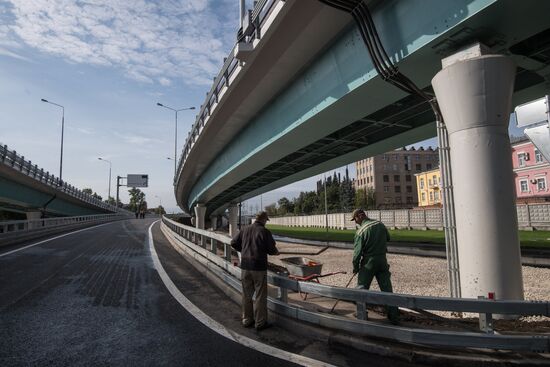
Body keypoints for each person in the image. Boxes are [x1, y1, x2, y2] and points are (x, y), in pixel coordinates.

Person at [231, 211, 279, 331]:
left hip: (245, 266)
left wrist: (243, 250)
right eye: (266, 221)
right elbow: (271, 249)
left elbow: (233, 243)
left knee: (246, 295)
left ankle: (247, 320)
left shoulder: (245, 229)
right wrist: (275, 252)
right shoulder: (264, 231)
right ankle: (260, 322)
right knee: (260, 295)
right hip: (258, 267)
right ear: (263, 220)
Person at [350, 208, 399, 324]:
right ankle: (394, 316)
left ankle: (361, 313)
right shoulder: (380, 224)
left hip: (369, 262)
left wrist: (355, 268)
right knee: (387, 288)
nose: (355, 222)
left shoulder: (360, 232)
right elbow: (388, 238)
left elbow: (356, 254)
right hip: (382, 260)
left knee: (362, 287)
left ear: (360, 216)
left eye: (355, 219)